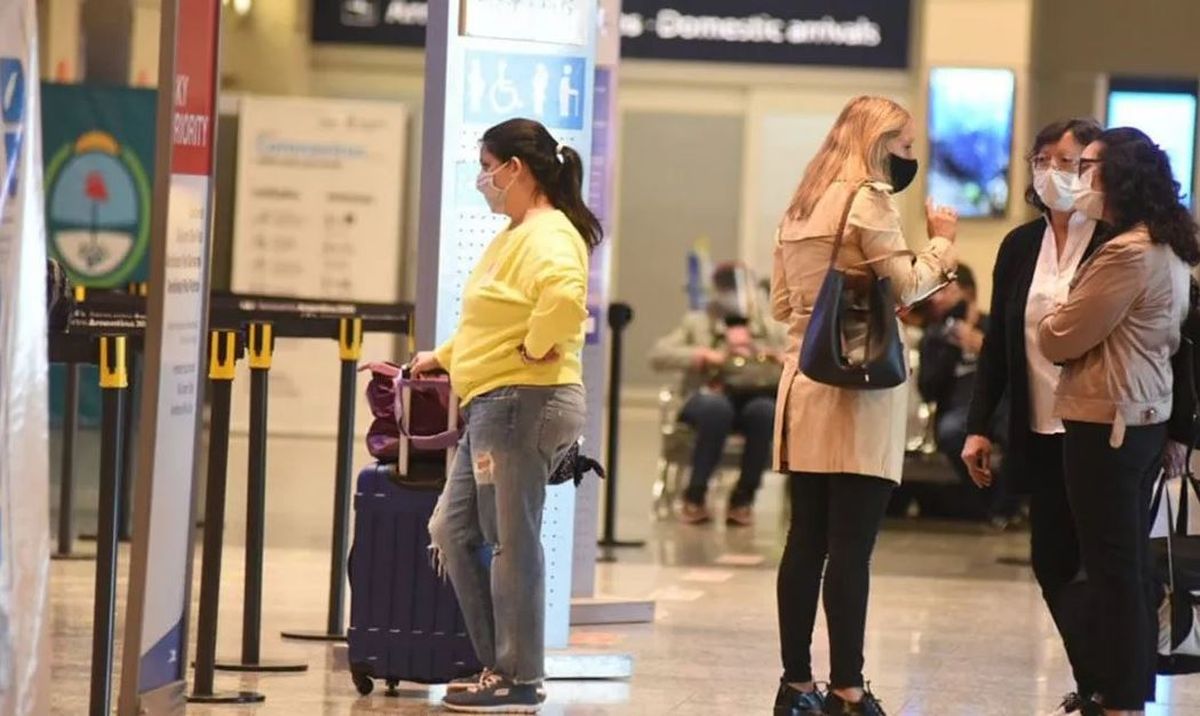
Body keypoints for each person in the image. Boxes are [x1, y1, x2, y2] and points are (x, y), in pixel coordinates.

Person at [771, 96, 958, 716]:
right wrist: (943, 247)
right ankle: (848, 689)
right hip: (859, 393)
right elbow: (907, 283)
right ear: (878, 143)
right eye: (905, 147)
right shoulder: (869, 199)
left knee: (805, 539)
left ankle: (795, 686)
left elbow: (781, 305)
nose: (909, 159)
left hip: (804, 384)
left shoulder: (801, 202)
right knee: (851, 545)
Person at [410, 118, 599, 714]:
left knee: (510, 540)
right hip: (496, 403)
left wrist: (541, 345)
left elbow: (566, 299)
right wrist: (439, 358)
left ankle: (518, 676)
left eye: (486, 165)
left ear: (515, 168)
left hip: (524, 403)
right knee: (453, 529)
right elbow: (492, 321)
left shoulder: (548, 233)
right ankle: (502, 664)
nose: (482, 179)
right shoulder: (514, 234)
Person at [1037, 127, 1199, 716]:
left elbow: (1060, 337)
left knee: (1114, 570)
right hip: (1139, 419)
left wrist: (1053, 317)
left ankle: (1122, 699)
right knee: (1125, 564)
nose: (1079, 178)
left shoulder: (1128, 253)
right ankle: (1126, 693)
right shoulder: (1169, 244)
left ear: (1118, 177)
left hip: (1107, 420)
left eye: (1089, 167)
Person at [960, 118, 1108, 715]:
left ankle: (1111, 687)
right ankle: (1094, 676)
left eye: (1066, 161)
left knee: (1102, 562)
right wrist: (977, 423)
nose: (1051, 171)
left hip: (1100, 427)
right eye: (1041, 160)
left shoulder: (1114, 238)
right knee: (1051, 561)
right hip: (1039, 425)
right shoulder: (1020, 244)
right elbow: (997, 341)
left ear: (1092, 168)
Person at [650, 262, 789, 526]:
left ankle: (743, 499)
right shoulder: (698, 322)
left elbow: (795, 355)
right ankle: (695, 495)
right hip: (708, 396)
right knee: (717, 410)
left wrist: (768, 355)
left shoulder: (767, 326)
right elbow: (659, 355)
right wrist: (702, 355)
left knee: (764, 413)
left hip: (755, 395)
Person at [916, 265, 1019, 525]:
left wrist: (982, 346)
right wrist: (952, 347)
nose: (937, 298)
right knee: (951, 433)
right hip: (958, 408)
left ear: (968, 293)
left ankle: (1006, 506)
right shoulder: (935, 336)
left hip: (1000, 404)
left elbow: (1017, 373)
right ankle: (989, 503)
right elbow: (928, 388)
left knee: (1017, 432)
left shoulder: (993, 327)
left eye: (946, 290)